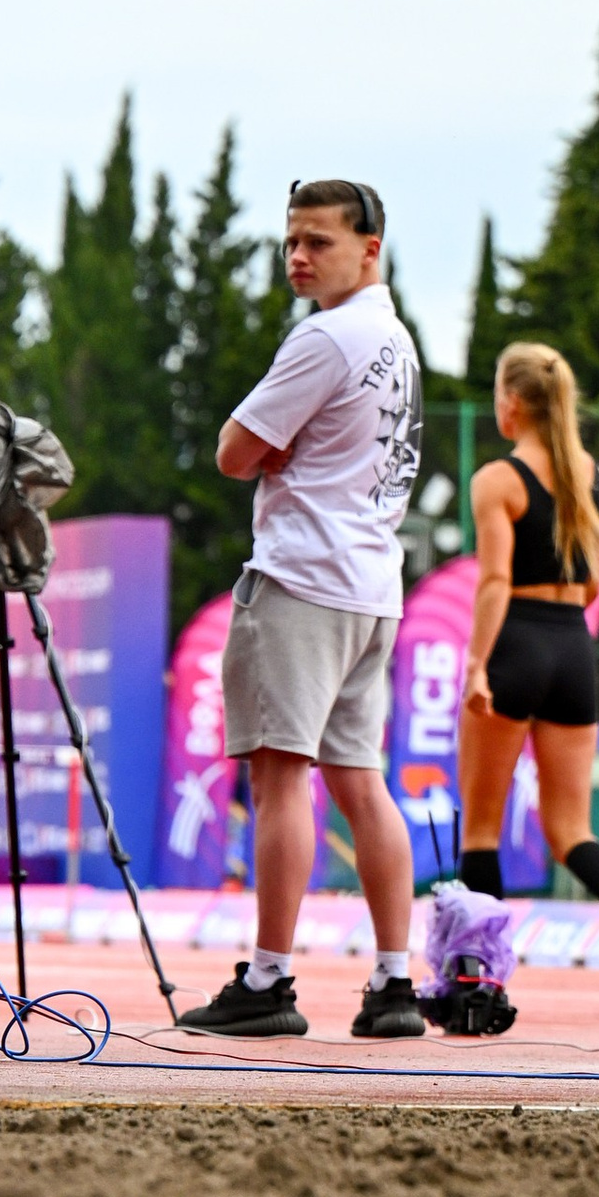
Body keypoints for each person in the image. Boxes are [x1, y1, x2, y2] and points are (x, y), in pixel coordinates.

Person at [182, 180, 426, 1039]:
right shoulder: (397, 341)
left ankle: (269, 979)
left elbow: (233, 451)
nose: (297, 255)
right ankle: (396, 981)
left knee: (279, 774)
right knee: (361, 782)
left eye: (318, 241)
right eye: (291, 240)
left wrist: (271, 450)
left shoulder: (324, 339)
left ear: (370, 248)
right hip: (371, 586)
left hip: (301, 582)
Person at [455, 340, 599, 1008]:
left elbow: (493, 582)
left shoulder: (499, 480)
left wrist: (480, 663)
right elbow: (595, 577)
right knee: (572, 827)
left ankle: (480, 985)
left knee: (481, 828)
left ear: (512, 403)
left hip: (516, 639)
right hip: (573, 647)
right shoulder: (594, 477)